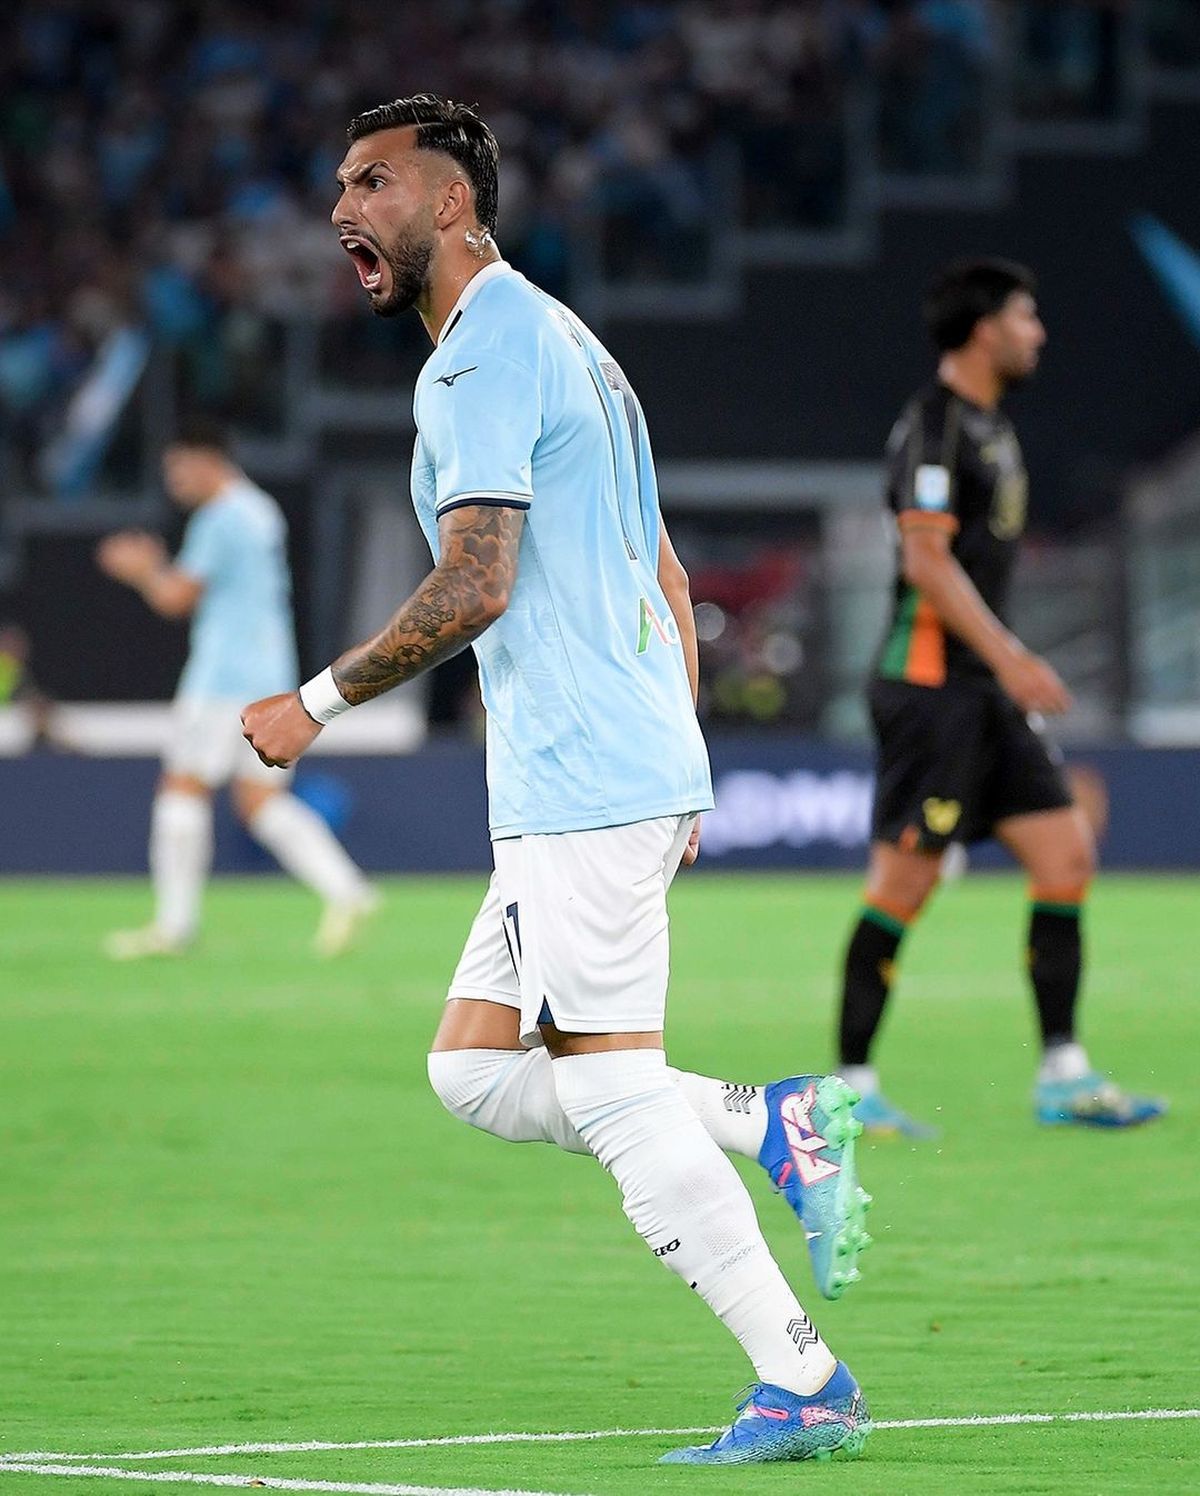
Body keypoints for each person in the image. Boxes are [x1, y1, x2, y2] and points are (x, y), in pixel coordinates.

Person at [242, 94, 871, 1466]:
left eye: (377, 184)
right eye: (338, 187)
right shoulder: (571, 343)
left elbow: (477, 581)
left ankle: (801, 1376)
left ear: (457, 206)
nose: (345, 208)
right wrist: (686, 755)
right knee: (471, 1071)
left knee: (604, 1087)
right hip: (602, 764)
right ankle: (771, 1120)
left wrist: (314, 702)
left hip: (584, 768)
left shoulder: (477, 358)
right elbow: (666, 569)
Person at [835, 258, 1165, 1136]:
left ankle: (1063, 1075)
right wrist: (1015, 656)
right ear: (984, 329)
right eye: (1027, 316)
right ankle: (851, 1087)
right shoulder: (935, 428)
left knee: (1065, 856)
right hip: (931, 686)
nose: (1039, 333)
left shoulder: (992, 429)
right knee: (902, 886)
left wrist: (1006, 671)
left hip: (982, 692)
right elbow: (926, 561)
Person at [96, 420, 378, 959]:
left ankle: (174, 926)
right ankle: (348, 890)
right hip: (270, 674)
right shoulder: (260, 510)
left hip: (223, 676)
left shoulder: (221, 518)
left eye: (178, 467)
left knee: (182, 786)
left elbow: (176, 597)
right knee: (259, 801)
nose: (173, 481)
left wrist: (142, 570)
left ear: (208, 460)